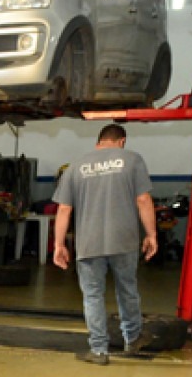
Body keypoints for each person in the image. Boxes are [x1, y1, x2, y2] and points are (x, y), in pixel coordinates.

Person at [52, 124, 158, 364]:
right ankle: (132, 339)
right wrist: (151, 234)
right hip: (124, 240)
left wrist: (59, 244)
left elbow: (64, 209)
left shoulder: (75, 166)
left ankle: (99, 350)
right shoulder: (132, 159)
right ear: (122, 141)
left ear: (99, 141)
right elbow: (143, 199)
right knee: (127, 291)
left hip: (89, 242)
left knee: (92, 296)